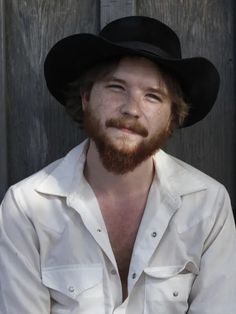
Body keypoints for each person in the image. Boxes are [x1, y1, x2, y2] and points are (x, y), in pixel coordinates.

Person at [0, 16, 235, 314]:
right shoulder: (26, 207)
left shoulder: (208, 205)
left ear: (172, 117)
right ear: (86, 97)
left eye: (152, 96)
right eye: (116, 87)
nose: (131, 109)